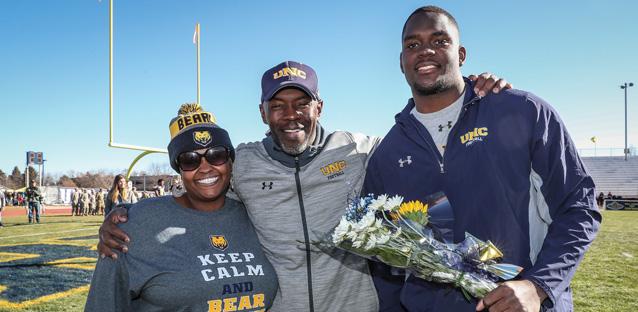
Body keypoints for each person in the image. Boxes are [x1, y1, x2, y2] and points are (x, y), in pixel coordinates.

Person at [98, 61, 512, 311]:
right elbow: (197, 188)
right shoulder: (241, 164)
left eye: (301, 103)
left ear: (319, 106)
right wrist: (122, 218)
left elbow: (425, 143)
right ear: (263, 112)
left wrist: (465, 90)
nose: (290, 115)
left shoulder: (357, 149)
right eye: (278, 105)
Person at [364, 6, 602, 312]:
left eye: (439, 41)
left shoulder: (523, 111)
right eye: (412, 45)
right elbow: (385, 266)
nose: (425, 52)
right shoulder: (388, 153)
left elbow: (579, 208)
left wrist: (539, 285)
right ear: (401, 62)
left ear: (461, 54)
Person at [85, 104, 278, 311]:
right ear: (178, 168)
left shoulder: (255, 213)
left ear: (230, 161)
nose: (205, 168)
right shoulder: (136, 223)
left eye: (216, 155)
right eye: (190, 160)